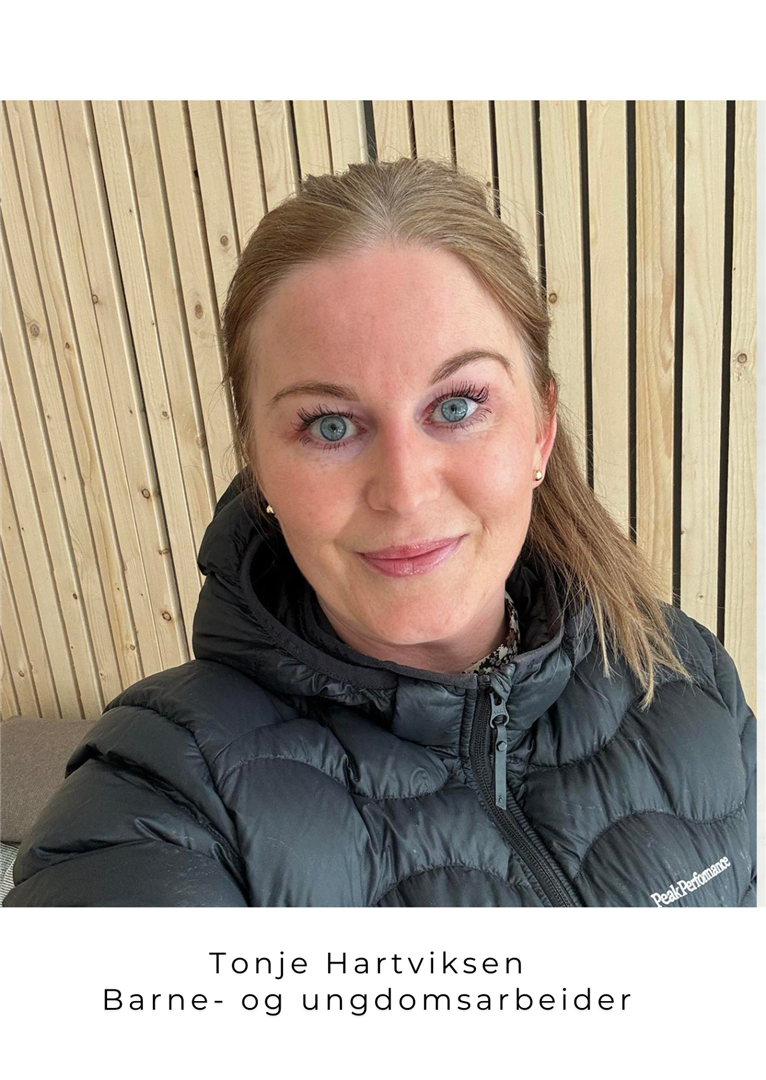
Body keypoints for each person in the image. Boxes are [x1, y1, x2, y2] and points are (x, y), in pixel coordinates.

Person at [6, 156, 756, 907]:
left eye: (457, 406)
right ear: (258, 466)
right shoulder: (161, 792)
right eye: (330, 425)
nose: (403, 492)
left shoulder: (684, 670)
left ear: (540, 430)